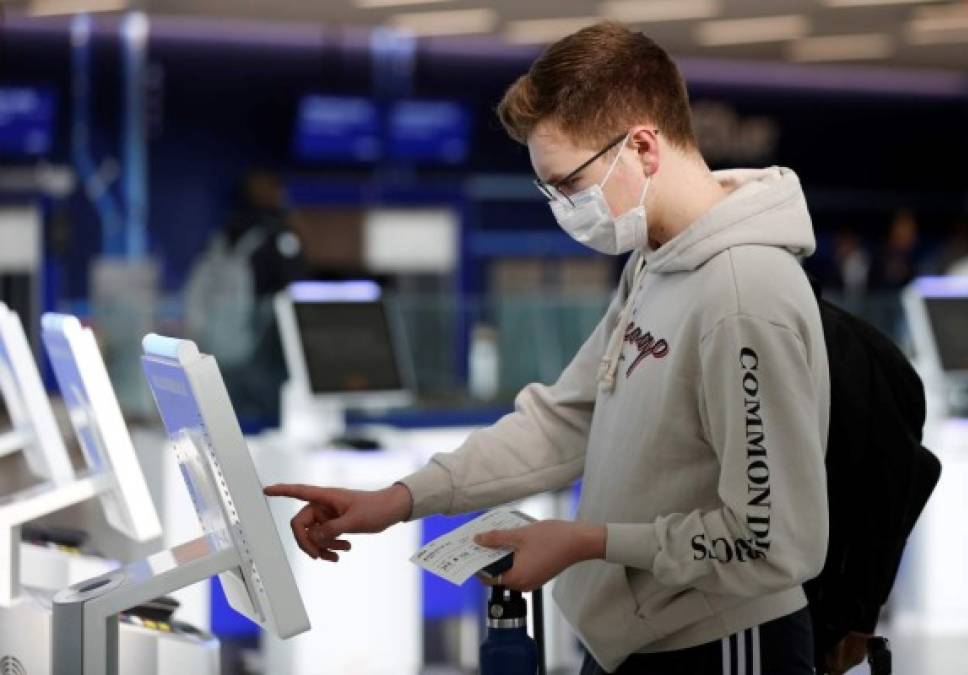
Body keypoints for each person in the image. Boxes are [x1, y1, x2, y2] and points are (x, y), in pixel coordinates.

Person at [266, 22, 830, 675]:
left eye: (569, 183)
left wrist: (585, 541)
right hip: (632, 638)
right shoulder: (656, 263)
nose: (563, 206)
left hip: (719, 646)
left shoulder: (742, 295)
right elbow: (564, 421)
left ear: (643, 146)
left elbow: (772, 540)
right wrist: (398, 498)